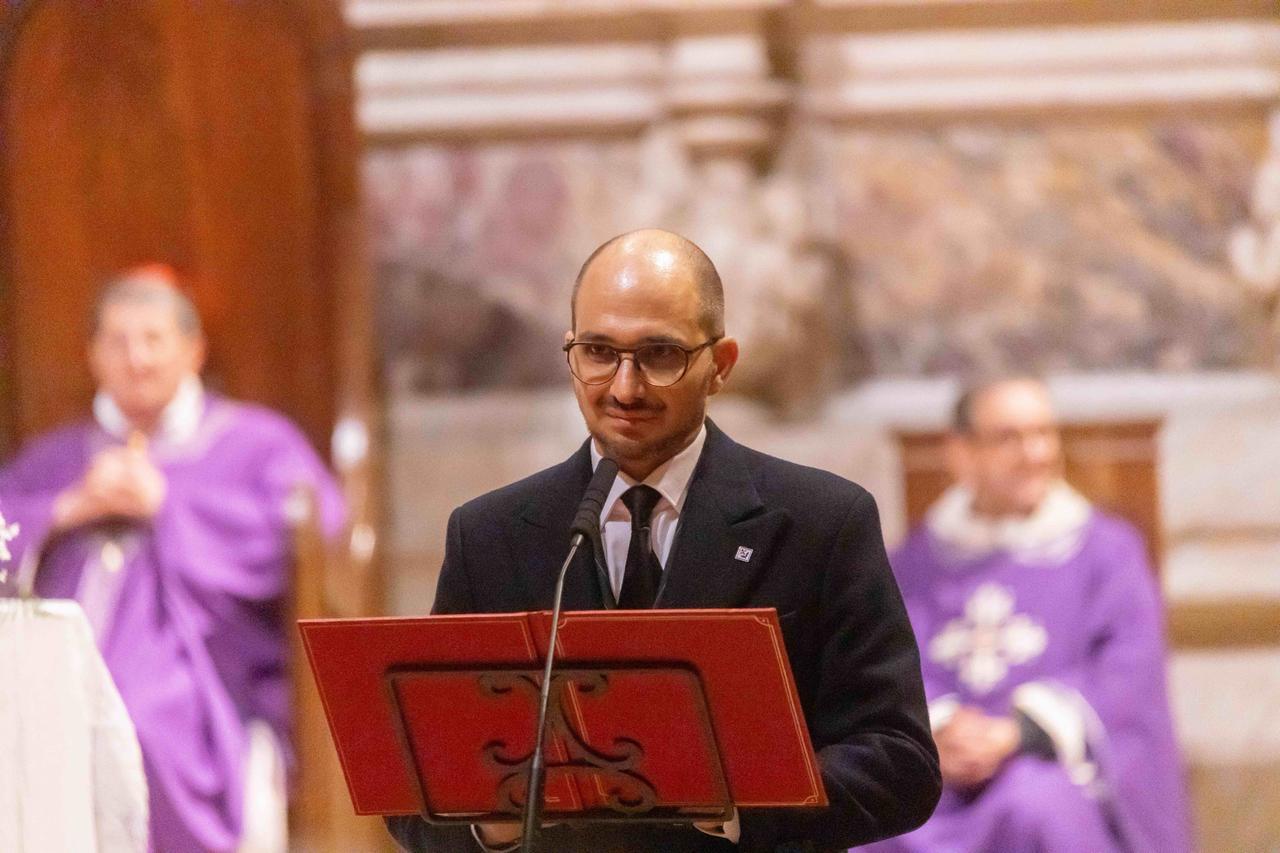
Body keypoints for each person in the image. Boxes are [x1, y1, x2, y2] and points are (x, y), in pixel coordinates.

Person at [386, 229, 941, 853]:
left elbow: (901, 764)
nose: (624, 388)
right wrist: (490, 824)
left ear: (721, 364)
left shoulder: (823, 522)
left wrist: (736, 807)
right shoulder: (488, 533)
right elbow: (413, 791)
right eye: (598, 351)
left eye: (659, 355)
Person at [0, 265, 346, 852]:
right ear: (92, 356)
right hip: (58, 657)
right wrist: (67, 509)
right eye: (117, 341)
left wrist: (169, 506)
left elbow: (317, 541)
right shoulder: (56, 458)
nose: (136, 359)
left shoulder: (257, 444)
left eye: (153, 340)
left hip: (205, 665)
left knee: (140, 726)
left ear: (193, 351)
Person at [862, 377, 1190, 852]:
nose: (1035, 454)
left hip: (1051, 765)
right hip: (941, 766)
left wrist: (1019, 732)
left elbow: (1128, 676)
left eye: (1044, 434)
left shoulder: (1107, 553)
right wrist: (942, 727)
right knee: (882, 820)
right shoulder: (915, 563)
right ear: (960, 453)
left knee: (1032, 806)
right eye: (1008, 438)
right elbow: (886, 667)